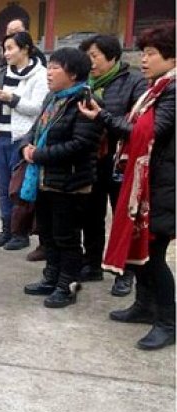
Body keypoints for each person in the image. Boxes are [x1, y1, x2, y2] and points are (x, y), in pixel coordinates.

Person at [78, 24, 175, 350]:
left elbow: (147, 134)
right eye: (143, 52)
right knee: (141, 253)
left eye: (151, 54)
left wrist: (102, 116)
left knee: (155, 255)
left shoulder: (172, 91)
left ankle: (168, 322)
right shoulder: (156, 87)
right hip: (146, 179)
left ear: (172, 58)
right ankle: (145, 306)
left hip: (163, 184)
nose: (144, 59)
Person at [20, 47, 102, 308]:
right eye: (50, 66)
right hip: (46, 180)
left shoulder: (84, 102)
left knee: (66, 237)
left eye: (56, 67)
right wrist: (26, 147)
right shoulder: (53, 99)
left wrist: (39, 154)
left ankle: (67, 286)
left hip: (70, 183)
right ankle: (51, 278)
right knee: (48, 234)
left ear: (74, 73)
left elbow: (81, 144)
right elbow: (34, 131)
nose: (50, 72)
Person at [75, 35, 147, 297]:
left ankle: (123, 272)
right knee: (91, 214)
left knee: (122, 216)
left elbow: (136, 127)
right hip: (92, 159)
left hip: (120, 160)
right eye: (87, 57)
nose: (90, 62)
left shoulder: (134, 82)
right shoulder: (84, 82)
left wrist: (102, 117)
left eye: (94, 56)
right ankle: (92, 263)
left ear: (113, 56)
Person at [0, 31, 48, 250]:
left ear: (26, 49)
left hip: (22, 139)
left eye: (11, 48)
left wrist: (11, 98)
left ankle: (20, 233)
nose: (6, 53)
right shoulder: (1, 73)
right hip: (0, 136)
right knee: (3, 189)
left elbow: (38, 108)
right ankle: (6, 229)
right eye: (5, 48)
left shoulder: (40, 75)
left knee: (19, 189)